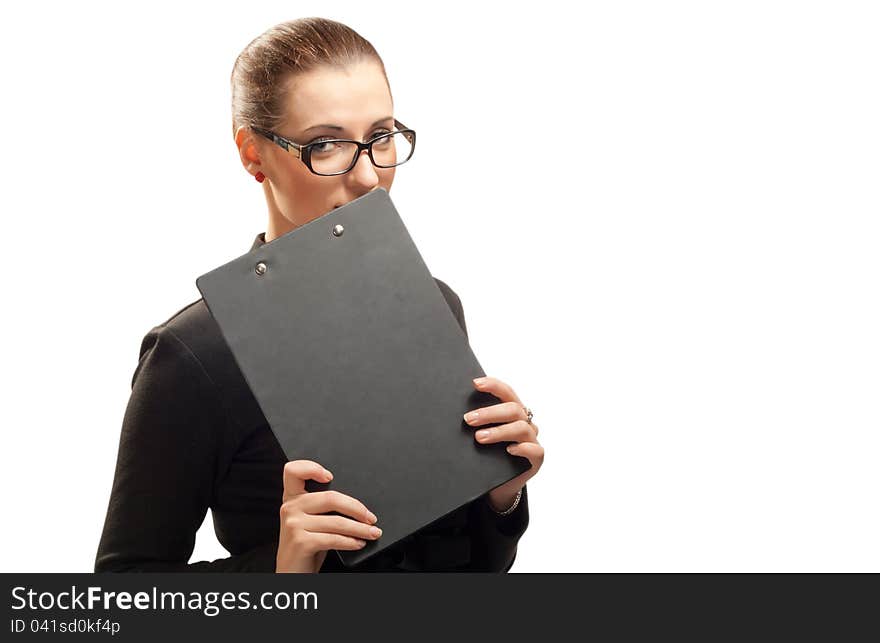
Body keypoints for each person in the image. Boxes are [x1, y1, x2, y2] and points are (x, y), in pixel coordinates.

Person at [94, 17, 544, 573]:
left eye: (380, 137)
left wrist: (505, 490)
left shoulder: (437, 303)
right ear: (252, 154)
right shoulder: (192, 355)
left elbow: (473, 565)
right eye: (325, 144)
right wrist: (283, 573)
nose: (368, 177)